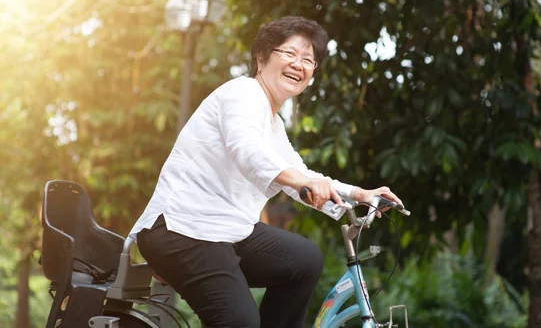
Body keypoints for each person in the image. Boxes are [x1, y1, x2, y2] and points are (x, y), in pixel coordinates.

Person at [129, 16, 403, 328]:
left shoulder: (272, 122)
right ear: (261, 58)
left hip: (226, 231)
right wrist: (301, 181)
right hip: (182, 230)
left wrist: (358, 194)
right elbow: (246, 151)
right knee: (240, 322)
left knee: (304, 260)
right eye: (289, 54)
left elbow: (298, 171)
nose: (299, 64)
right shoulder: (243, 93)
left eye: (308, 59)